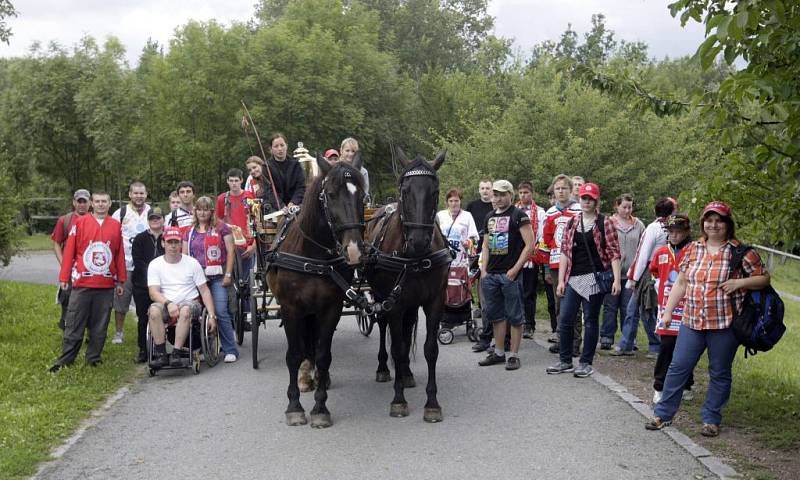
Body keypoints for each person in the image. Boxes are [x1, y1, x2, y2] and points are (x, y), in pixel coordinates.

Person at [646, 202, 770, 437]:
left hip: (724, 324)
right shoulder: (693, 249)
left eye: (718, 220)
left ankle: (711, 419)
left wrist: (739, 283)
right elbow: (681, 282)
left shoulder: (740, 251)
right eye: (708, 220)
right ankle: (663, 414)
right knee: (678, 366)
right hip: (691, 321)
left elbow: (763, 279)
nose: (713, 225)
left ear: (727, 224)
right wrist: (668, 313)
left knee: (719, 371)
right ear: (703, 223)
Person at [546, 182, 621, 378]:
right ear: (579, 199)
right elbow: (564, 252)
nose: (587, 202)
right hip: (573, 277)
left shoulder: (605, 223)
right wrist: (561, 280)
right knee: (565, 319)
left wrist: (617, 280)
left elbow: (614, 253)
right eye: (584, 198)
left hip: (594, 277)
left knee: (590, 320)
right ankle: (565, 360)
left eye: (590, 199)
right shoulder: (572, 222)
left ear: (597, 201)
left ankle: (586, 362)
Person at [49, 192, 126, 372]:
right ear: (92, 203)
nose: (100, 204)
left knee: (100, 325)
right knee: (75, 321)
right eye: (97, 201)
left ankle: (93, 357)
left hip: (105, 285)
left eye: (104, 201)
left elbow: (119, 254)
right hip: (82, 283)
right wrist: (64, 277)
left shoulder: (115, 226)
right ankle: (66, 360)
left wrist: (121, 280)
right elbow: (69, 252)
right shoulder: (80, 223)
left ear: (109, 204)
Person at [477, 180, 534, 371]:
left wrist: (516, 268)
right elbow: (485, 245)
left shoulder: (519, 215)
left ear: (511, 195)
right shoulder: (489, 216)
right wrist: (484, 270)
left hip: (510, 274)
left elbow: (530, 245)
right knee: (496, 316)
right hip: (491, 274)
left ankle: (514, 355)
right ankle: (499, 352)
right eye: (496, 195)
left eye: (502, 194)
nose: (499, 198)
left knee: (515, 316)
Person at [612, 197, 677, 357]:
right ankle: (629, 344)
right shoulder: (672, 228)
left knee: (643, 310)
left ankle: (653, 345)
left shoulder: (654, 228)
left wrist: (633, 277)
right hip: (665, 273)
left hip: (648, 273)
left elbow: (643, 253)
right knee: (638, 309)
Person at [147, 226, 217, 368]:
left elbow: (204, 291)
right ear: (163, 243)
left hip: (190, 302)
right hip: (166, 302)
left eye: (176, 242)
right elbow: (153, 292)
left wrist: (211, 315)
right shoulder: (155, 264)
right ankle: (161, 354)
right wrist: (168, 303)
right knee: (153, 311)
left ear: (181, 244)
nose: (173, 246)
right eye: (170, 242)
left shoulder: (192, 263)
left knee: (186, 310)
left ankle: (176, 353)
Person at [183, 196, 238, 362]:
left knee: (220, 311)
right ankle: (199, 347)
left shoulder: (222, 228)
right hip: (197, 279)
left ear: (211, 211)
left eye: (205, 209)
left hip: (217, 276)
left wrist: (228, 274)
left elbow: (230, 251)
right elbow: (185, 256)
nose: (202, 212)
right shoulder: (189, 231)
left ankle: (230, 349)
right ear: (195, 211)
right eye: (199, 209)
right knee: (195, 313)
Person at [649, 214, 695, 403]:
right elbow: (654, 272)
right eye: (671, 232)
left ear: (687, 232)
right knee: (666, 346)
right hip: (667, 307)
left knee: (687, 346)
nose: (674, 236)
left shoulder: (693, 251)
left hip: (688, 306)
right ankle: (659, 385)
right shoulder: (661, 253)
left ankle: (686, 384)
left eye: (678, 232)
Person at [542, 174, 583, 355]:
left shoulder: (578, 210)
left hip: (575, 263)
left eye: (564, 188)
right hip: (556, 263)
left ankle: (575, 342)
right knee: (559, 303)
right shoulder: (550, 213)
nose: (561, 192)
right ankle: (561, 338)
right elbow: (546, 240)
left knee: (575, 304)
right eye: (557, 189)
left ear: (570, 190)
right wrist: (545, 268)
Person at [599, 194, 645, 349]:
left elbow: (643, 247)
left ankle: (629, 338)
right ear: (616, 206)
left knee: (629, 308)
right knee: (610, 306)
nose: (627, 210)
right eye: (624, 207)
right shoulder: (609, 223)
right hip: (612, 272)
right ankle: (606, 336)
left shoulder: (638, 225)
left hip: (632, 273)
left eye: (630, 207)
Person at [110, 181, 151, 345]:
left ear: (146, 194)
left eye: (142, 193)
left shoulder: (152, 212)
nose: (139, 196)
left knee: (147, 301)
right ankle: (119, 332)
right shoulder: (120, 213)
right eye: (136, 193)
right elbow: (112, 240)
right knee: (121, 300)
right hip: (125, 265)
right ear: (130, 194)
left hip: (146, 266)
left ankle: (149, 331)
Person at [437, 188, 479, 325]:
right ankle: (445, 319)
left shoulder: (467, 216)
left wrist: (469, 243)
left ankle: (464, 317)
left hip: (461, 260)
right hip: (443, 261)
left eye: (456, 201)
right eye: (451, 201)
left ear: (461, 201)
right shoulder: (440, 216)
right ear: (447, 202)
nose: (454, 204)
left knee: (461, 288)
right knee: (444, 288)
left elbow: (474, 238)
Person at [51, 188, 91, 330]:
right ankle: (67, 327)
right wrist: (64, 264)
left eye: (84, 202)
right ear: (74, 202)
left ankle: (88, 331)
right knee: (67, 299)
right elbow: (56, 243)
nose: (81, 205)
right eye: (79, 201)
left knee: (88, 301)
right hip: (71, 269)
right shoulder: (65, 220)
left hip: (89, 269)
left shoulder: (95, 220)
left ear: (90, 203)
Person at [131, 207, 165, 363]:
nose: (155, 221)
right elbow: (138, 262)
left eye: (158, 218)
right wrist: (153, 275)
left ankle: (162, 347)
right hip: (142, 284)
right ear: (148, 221)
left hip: (165, 284)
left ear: (163, 219)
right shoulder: (139, 239)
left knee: (162, 316)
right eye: (152, 218)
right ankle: (143, 349)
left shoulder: (169, 237)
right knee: (143, 317)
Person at [466, 179, 495, 353]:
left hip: (500, 256)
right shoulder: (472, 206)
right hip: (477, 252)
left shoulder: (500, 212)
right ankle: (486, 335)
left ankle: (504, 339)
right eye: (482, 188)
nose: (485, 191)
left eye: (488, 189)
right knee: (483, 295)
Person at [515, 181, 545, 339]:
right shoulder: (514, 210)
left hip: (531, 256)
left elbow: (541, 234)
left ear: (531, 193)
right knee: (515, 290)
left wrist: (533, 249)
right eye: (521, 193)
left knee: (528, 292)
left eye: (526, 192)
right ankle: (516, 321)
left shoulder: (539, 212)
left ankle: (529, 323)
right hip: (515, 256)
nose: (523, 195)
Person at [535, 185, 558, 340]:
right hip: (550, 263)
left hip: (567, 264)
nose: (552, 200)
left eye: (554, 196)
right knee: (552, 301)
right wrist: (547, 269)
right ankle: (555, 329)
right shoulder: (548, 215)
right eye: (550, 197)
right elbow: (544, 245)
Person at [263, 132, 306, 213]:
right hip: (276, 207)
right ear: (271, 149)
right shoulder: (266, 167)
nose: (280, 149)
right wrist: (281, 206)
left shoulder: (296, 164)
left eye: (282, 145)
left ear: (286, 146)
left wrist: (293, 203)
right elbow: (269, 191)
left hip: (295, 205)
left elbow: (301, 187)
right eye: (276, 146)